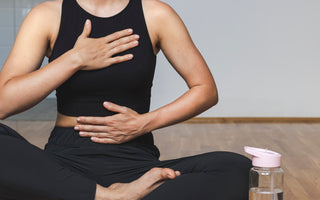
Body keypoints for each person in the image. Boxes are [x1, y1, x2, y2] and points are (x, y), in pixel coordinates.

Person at [0, 0, 251, 199]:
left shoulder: (156, 14)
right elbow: (3, 104)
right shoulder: (45, 16)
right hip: (64, 164)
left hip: (136, 167)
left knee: (236, 168)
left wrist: (145, 123)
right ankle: (105, 197)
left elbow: (205, 89)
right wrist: (74, 59)